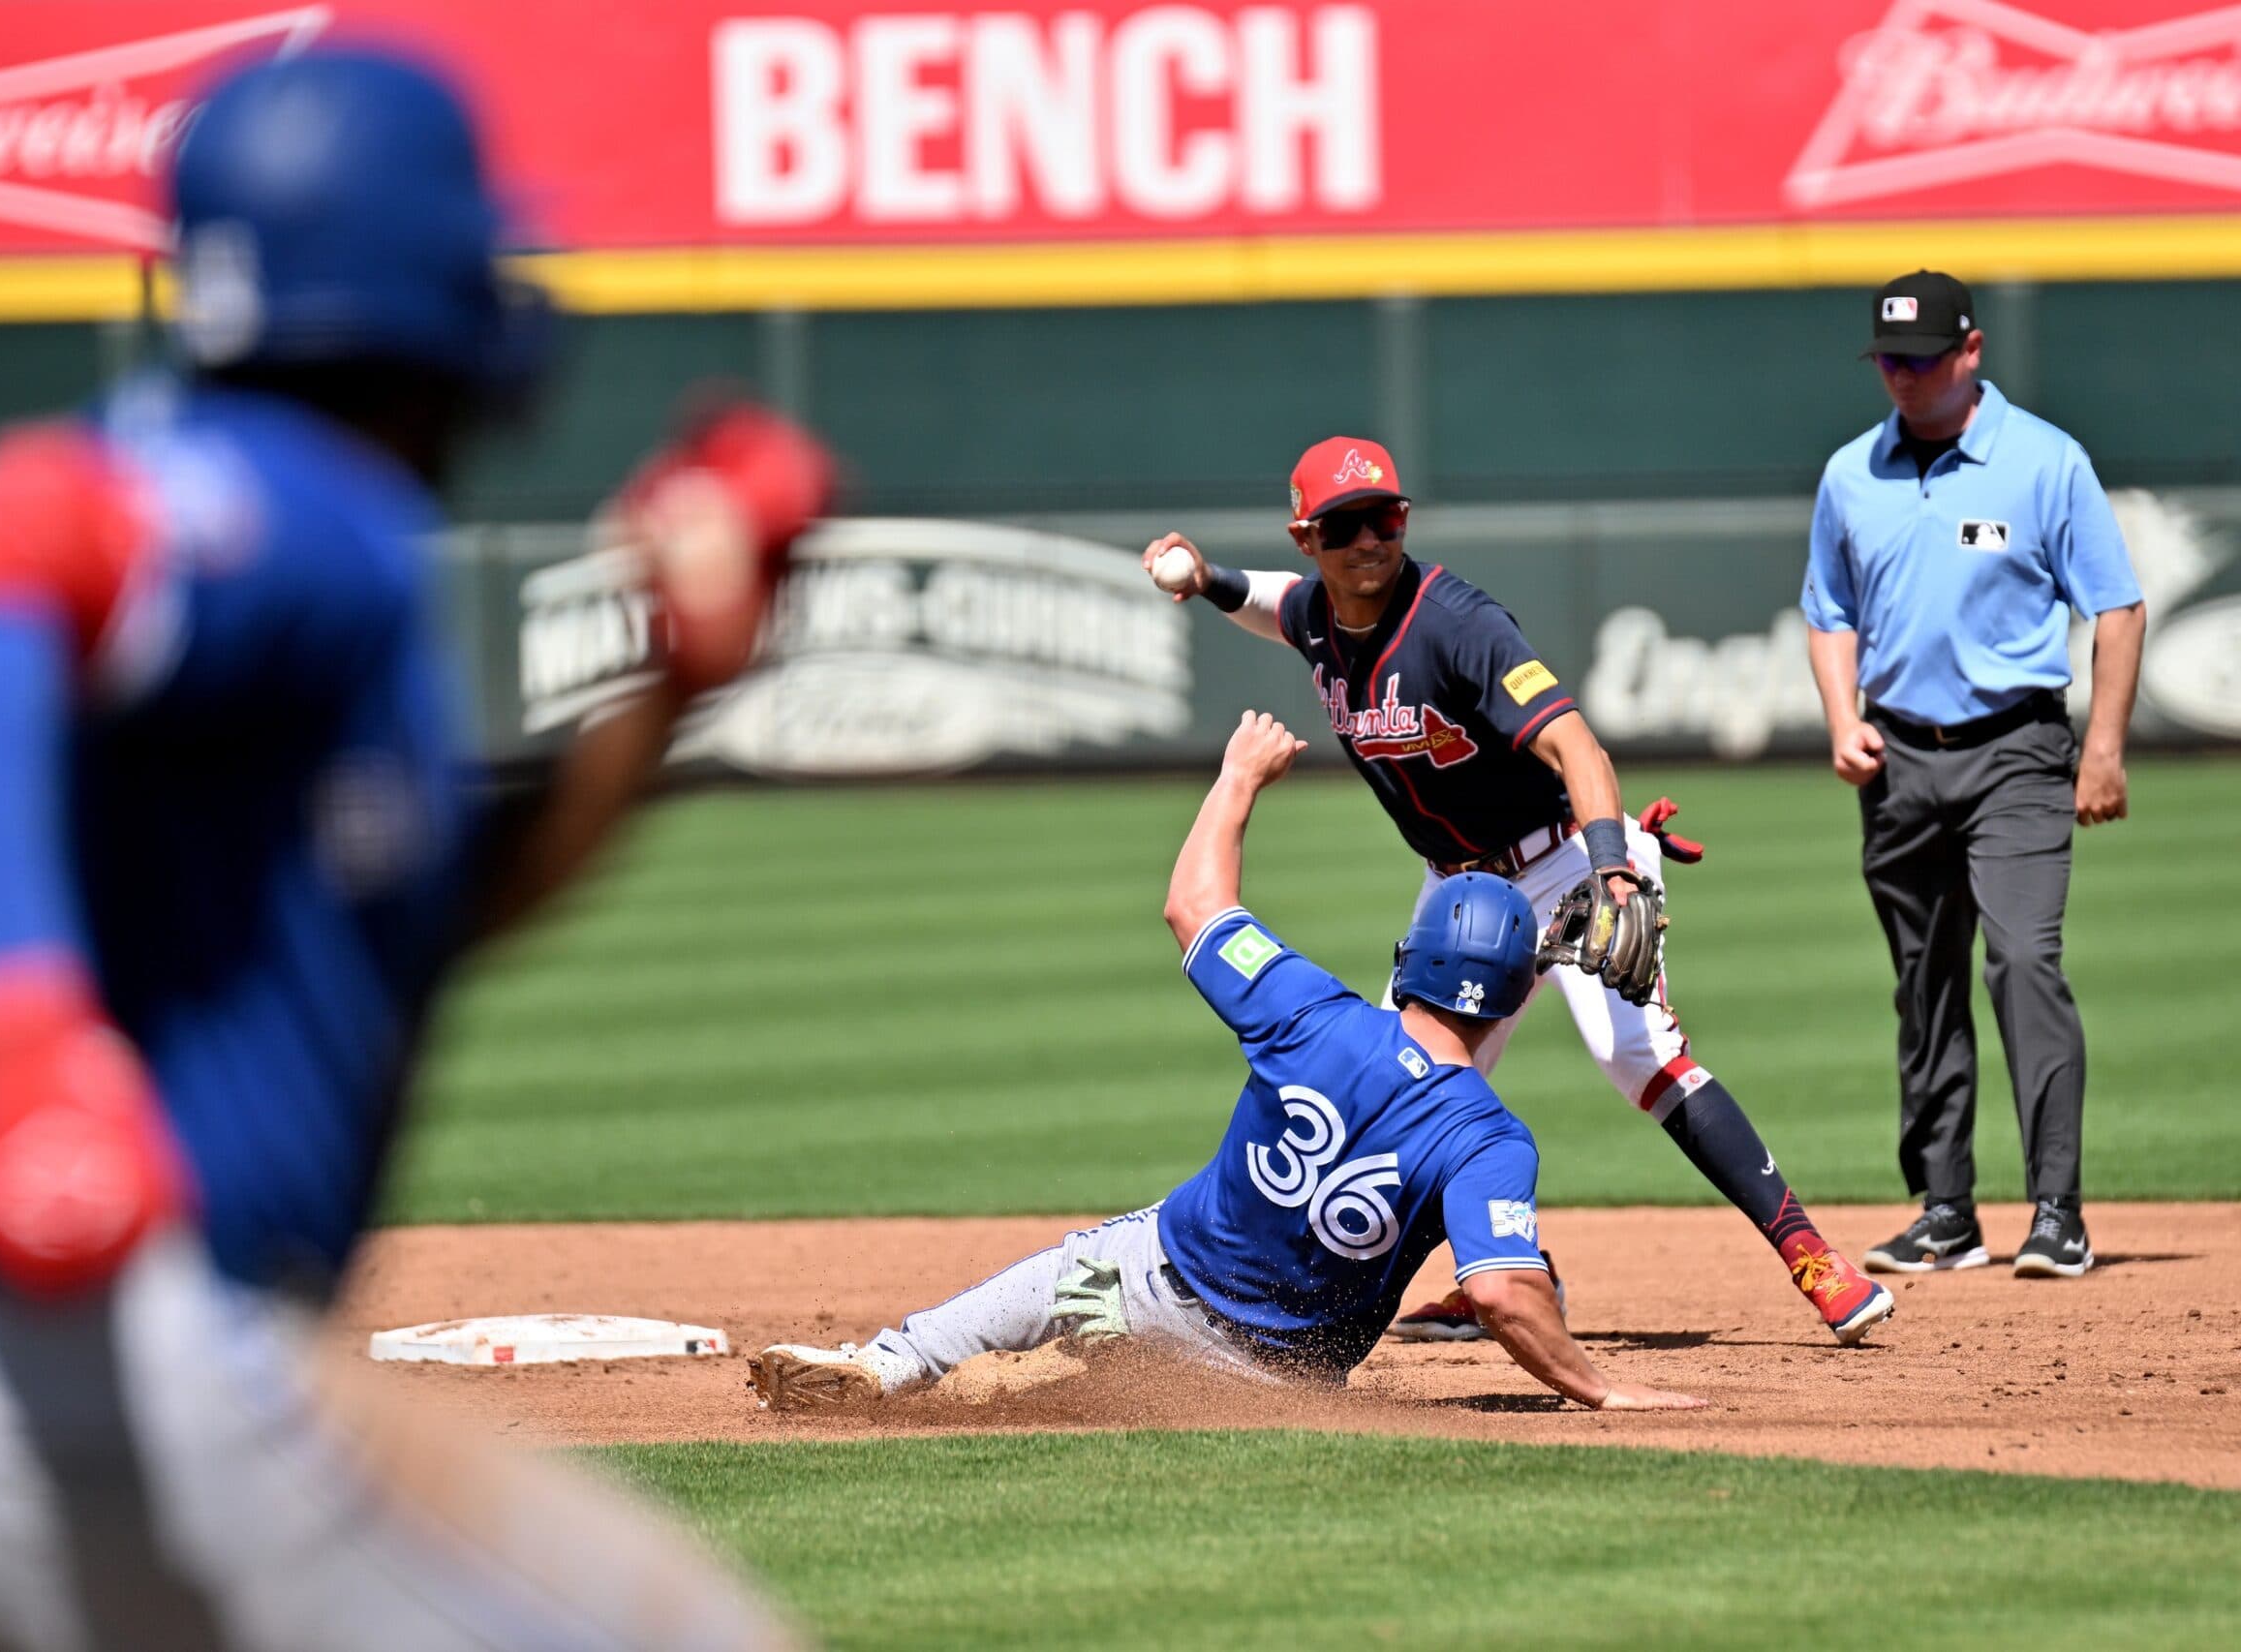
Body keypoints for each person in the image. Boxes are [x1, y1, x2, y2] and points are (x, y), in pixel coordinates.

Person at [0, 47, 832, 1650]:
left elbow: (426, 904)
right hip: (121, 1367)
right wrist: (24, 1031)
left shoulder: (305, 546)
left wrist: (664, 687)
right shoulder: (297, 504)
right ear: (422, 291)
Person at [1142, 441, 1893, 1348]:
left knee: (1638, 1057)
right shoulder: (1318, 615)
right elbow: (1275, 605)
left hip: (1565, 863)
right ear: (1309, 539)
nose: (1370, 541)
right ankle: (1493, 1277)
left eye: (1385, 518)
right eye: (1344, 527)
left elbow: (1580, 746)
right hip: (1460, 895)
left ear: (1405, 520)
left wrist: (1614, 867)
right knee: (1396, 1089)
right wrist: (1205, 577)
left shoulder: (1457, 624)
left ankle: (1814, 1258)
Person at [750, 712, 1705, 1415]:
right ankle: (1055, 1382)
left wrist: (1239, 775)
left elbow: (1192, 903)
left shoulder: (1311, 1013)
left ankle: (892, 1365)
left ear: (1410, 957)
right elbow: (1499, 1286)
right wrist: (1600, 1386)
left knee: (1058, 1285)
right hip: (1275, 1378)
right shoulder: (1487, 1138)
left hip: (1146, 1289)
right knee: (1099, 1351)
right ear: (1507, 993)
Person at [1804, 269, 2145, 1282]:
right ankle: (1945, 1209)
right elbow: (1829, 610)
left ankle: (2057, 1209)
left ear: (1969, 351)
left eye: (1917, 359)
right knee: (1923, 983)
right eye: (1886, 360)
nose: (1899, 377)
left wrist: (2104, 748)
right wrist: (1840, 717)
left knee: (2023, 962)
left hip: (2017, 750)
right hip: (1898, 757)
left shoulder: (2044, 461)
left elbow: (2116, 607)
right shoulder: (1850, 472)